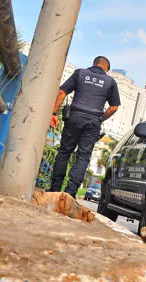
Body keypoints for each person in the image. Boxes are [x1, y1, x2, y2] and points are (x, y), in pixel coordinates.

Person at [48, 56, 120, 198]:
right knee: (83, 157)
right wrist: (100, 119)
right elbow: (114, 107)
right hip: (93, 122)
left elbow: (62, 92)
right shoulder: (110, 82)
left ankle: (54, 190)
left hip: (74, 117)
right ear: (106, 68)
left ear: (94, 64)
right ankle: (70, 193)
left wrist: (53, 113)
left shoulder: (80, 73)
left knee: (64, 152)